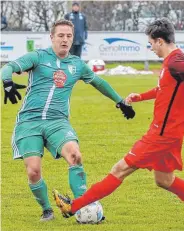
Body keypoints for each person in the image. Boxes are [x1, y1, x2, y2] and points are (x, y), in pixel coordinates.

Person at [53, 18, 184, 226]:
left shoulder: (176, 63)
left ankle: (74, 206)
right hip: (170, 133)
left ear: (160, 41)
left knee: (119, 170)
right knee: (164, 180)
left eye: (151, 43)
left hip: (162, 135)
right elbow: (164, 90)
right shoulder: (178, 59)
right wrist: (139, 97)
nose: (151, 48)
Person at [1, 19, 135, 222]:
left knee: (75, 155)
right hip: (29, 121)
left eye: (69, 36)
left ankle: (83, 204)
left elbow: (98, 82)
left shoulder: (76, 64)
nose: (65, 40)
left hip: (57, 121)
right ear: (52, 37)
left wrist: (120, 101)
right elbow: (8, 67)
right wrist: (8, 83)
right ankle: (47, 210)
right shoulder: (38, 57)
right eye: (61, 36)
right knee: (34, 171)